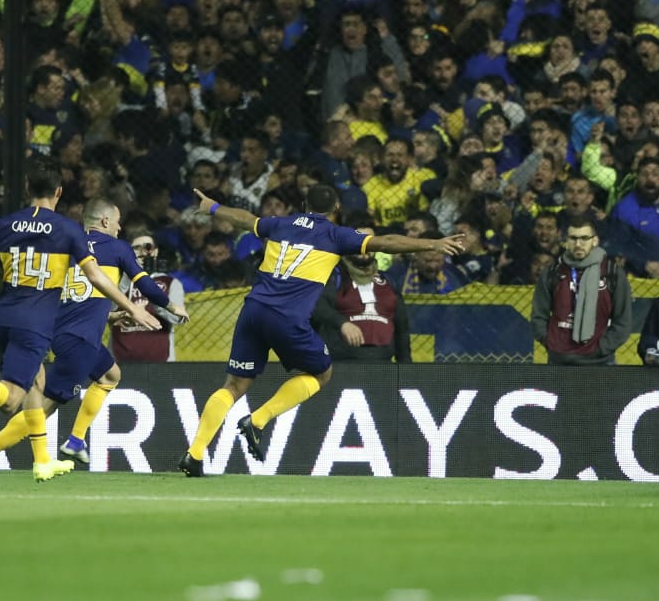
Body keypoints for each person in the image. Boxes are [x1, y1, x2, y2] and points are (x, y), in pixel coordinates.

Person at [178, 184, 465, 476]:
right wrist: (433, 244)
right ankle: (258, 420)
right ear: (336, 209)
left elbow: (244, 218)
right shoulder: (335, 235)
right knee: (322, 373)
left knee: (234, 386)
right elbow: (387, 241)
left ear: (304, 204)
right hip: (287, 318)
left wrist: (212, 207)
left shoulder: (280, 224)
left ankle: (195, 454)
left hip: (253, 310)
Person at [0, 157, 160, 483]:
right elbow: (97, 278)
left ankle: (41, 460)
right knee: (11, 398)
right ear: (58, 192)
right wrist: (132, 307)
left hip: (4, 315)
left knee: (34, 388)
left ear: (28, 188)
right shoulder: (68, 230)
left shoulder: (3, 225)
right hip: (37, 320)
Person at [0, 200, 187, 473]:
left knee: (110, 375)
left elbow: (73, 297)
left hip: (62, 331)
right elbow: (144, 284)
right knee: (44, 409)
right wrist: (170, 305)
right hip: (81, 340)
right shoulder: (117, 248)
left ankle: (75, 440)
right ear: (106, 222)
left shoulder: (66, 246)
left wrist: (107, 317)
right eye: (117, 221)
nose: (120, 227)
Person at [530, 219, 633, 365]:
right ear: (566, 241)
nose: (578, 244)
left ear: (595, 241)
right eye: (573, 238)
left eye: (584, 238)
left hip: (600, 362)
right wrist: (551, 342)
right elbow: (538, 315)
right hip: (559, 360)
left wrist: (602, 348)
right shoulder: (552, 272)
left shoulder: (612, 273)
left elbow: (623, 320)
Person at [312, 228, 412, 363]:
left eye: (370, 242)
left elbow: (402, 328)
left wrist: (406, 366)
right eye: (360, 241)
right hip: (340, 363)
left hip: (383, 363)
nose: (365, 247)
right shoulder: (334, 276)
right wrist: (342, 323)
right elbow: (317, 307)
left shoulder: (388, 280)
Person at [112, 231, 186, 363]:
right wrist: (126, 280)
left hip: (161, 364)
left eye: (147, 246)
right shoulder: (116, 280)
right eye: (136, 248)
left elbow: (177, 318)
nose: (142, 251)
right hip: (119, 362)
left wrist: (153, 294)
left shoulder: (170, 282)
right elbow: (107, 309)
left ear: (155, 251)